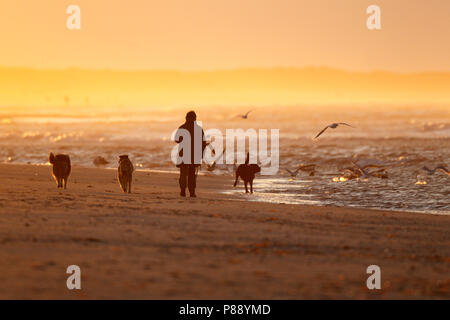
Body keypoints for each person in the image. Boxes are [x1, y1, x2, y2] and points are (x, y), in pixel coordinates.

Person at [174, 111, 206, 197]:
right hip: (194, 155)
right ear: (195, 118)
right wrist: (201, 155)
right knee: (192, 174)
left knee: (183, 173)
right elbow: (203, 144)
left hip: (183, 154)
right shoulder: (199, 129)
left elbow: (176, 140)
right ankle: (192, 192)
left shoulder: (182, 127)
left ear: (186, 118)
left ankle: (183, 191)